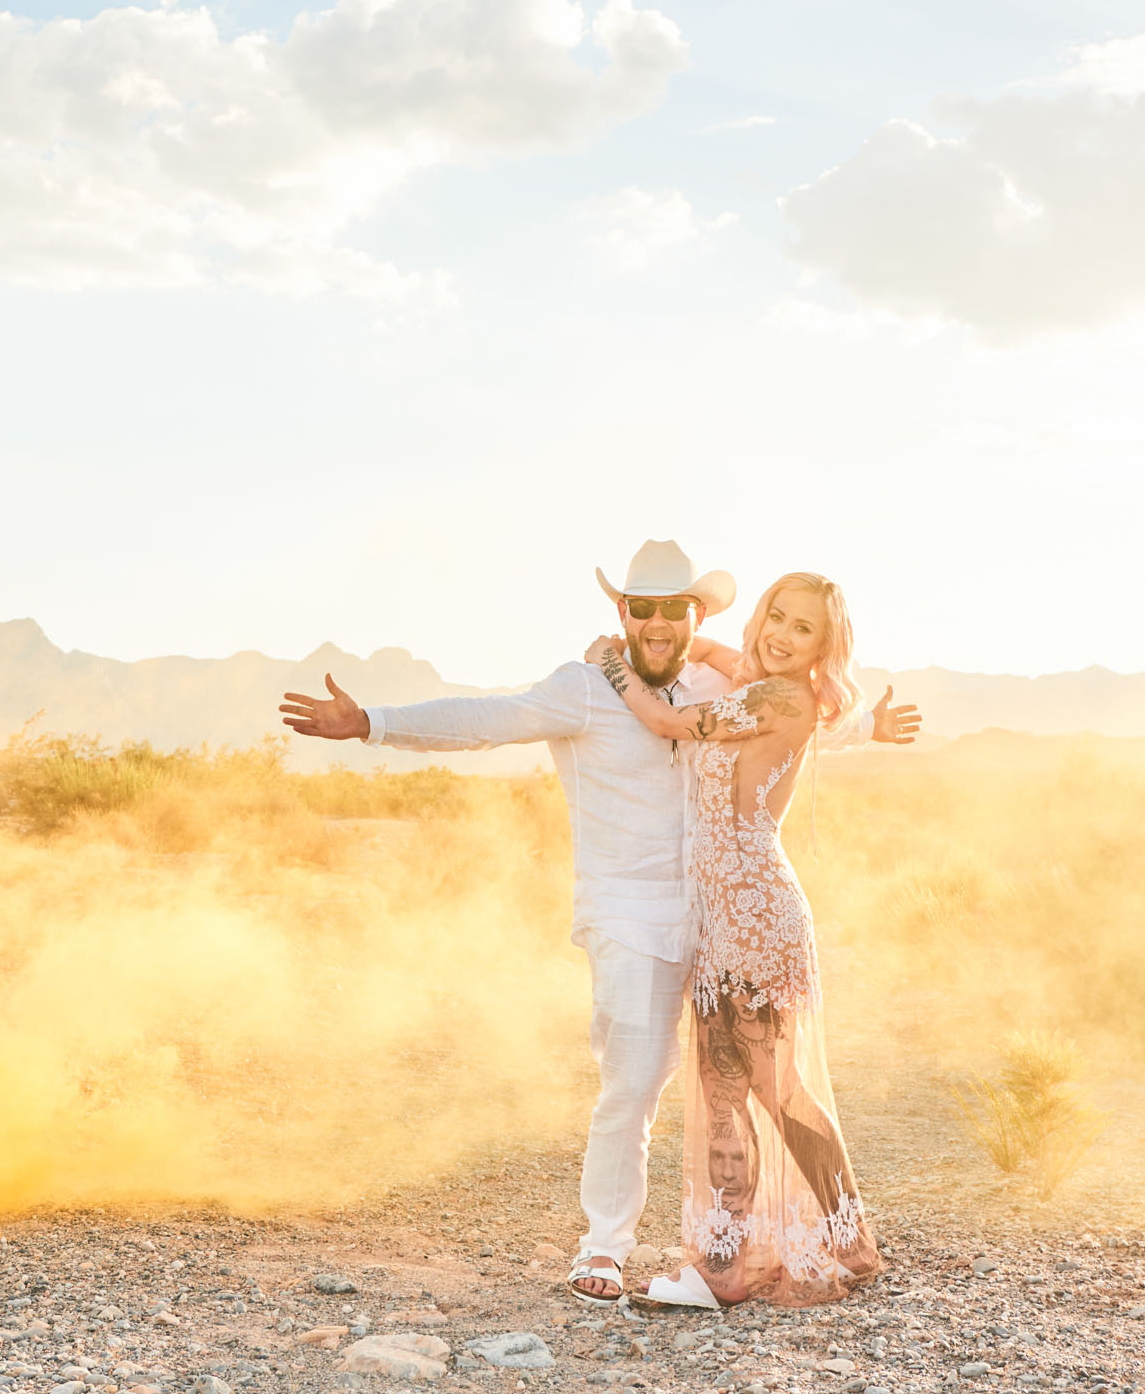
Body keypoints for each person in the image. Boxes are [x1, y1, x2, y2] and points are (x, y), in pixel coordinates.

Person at [279, 541, 919, 1306]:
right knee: (640, 1081)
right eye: (640, 608)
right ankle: (608, 1248)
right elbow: (485, 719)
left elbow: (787, 709)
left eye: (672, 608)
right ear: (622, 612)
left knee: (764, 1090)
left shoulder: (711, 681)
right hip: (632, 920)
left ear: (695, 615)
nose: (656, 621)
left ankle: (792, 1248)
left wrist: (864, 726)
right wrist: (372, 723)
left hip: (724, 920)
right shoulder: (581, 689)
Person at [583, 572, 887, 1308]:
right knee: (764, 1091)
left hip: (753, 917)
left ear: (826, 645)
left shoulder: (778, 698)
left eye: (803, 629)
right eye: (775, 617)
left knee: (740, 1093)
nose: (783, 635)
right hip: (735, 916)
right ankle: (843, 1239)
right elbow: (724, 655)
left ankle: (721, 1268)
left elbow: (667, 722)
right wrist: (684, 632)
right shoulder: (762, 679)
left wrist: (615, 662)